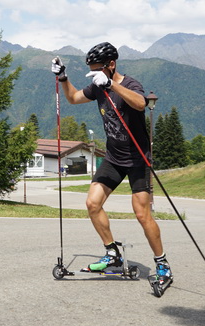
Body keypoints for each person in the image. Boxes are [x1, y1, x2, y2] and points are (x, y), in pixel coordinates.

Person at [51, 42, 172, 282]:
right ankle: (112, 252)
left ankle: (162, 264)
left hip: (138, 159)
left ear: (112, 64)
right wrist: (64, 78)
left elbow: (140, 103)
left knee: (142, 214)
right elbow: (74, 98)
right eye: (92, 71)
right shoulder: (98, 85)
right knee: (92, 203)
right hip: (114, 158)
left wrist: (111, 84)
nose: (95, 75)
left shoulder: (129, 84)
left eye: (98, 70)